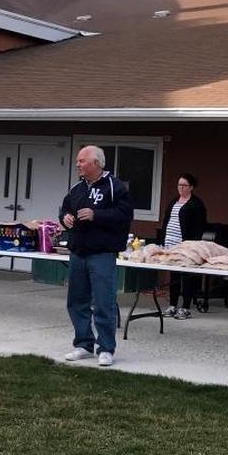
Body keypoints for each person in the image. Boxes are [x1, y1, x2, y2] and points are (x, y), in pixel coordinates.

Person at [59, 146, 133, 367]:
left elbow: (124, 215)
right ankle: (83, 344)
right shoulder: (76, 189)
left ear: (96, 163)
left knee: (103, 303)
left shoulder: (115, 187)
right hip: (78, 252)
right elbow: (63, 210)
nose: (78, 165)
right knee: (76, 301)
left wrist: (96, 215)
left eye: (82, 161)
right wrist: (66, 219)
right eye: (77, 162)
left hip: (102, 254)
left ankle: (106, 348)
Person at [162, 173, 207, 320]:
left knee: (186, 276)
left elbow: (200, 226)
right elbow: (166, 220)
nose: (180, 188)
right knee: (173, 274)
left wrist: (191, 245)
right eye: (179, 185)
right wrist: (163, 240)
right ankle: (173, 304)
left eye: (184, 185)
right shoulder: (174, 201)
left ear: (191, 187)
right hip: (170, 243)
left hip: (186, 245)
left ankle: (186, 307)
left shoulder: (196, 204)